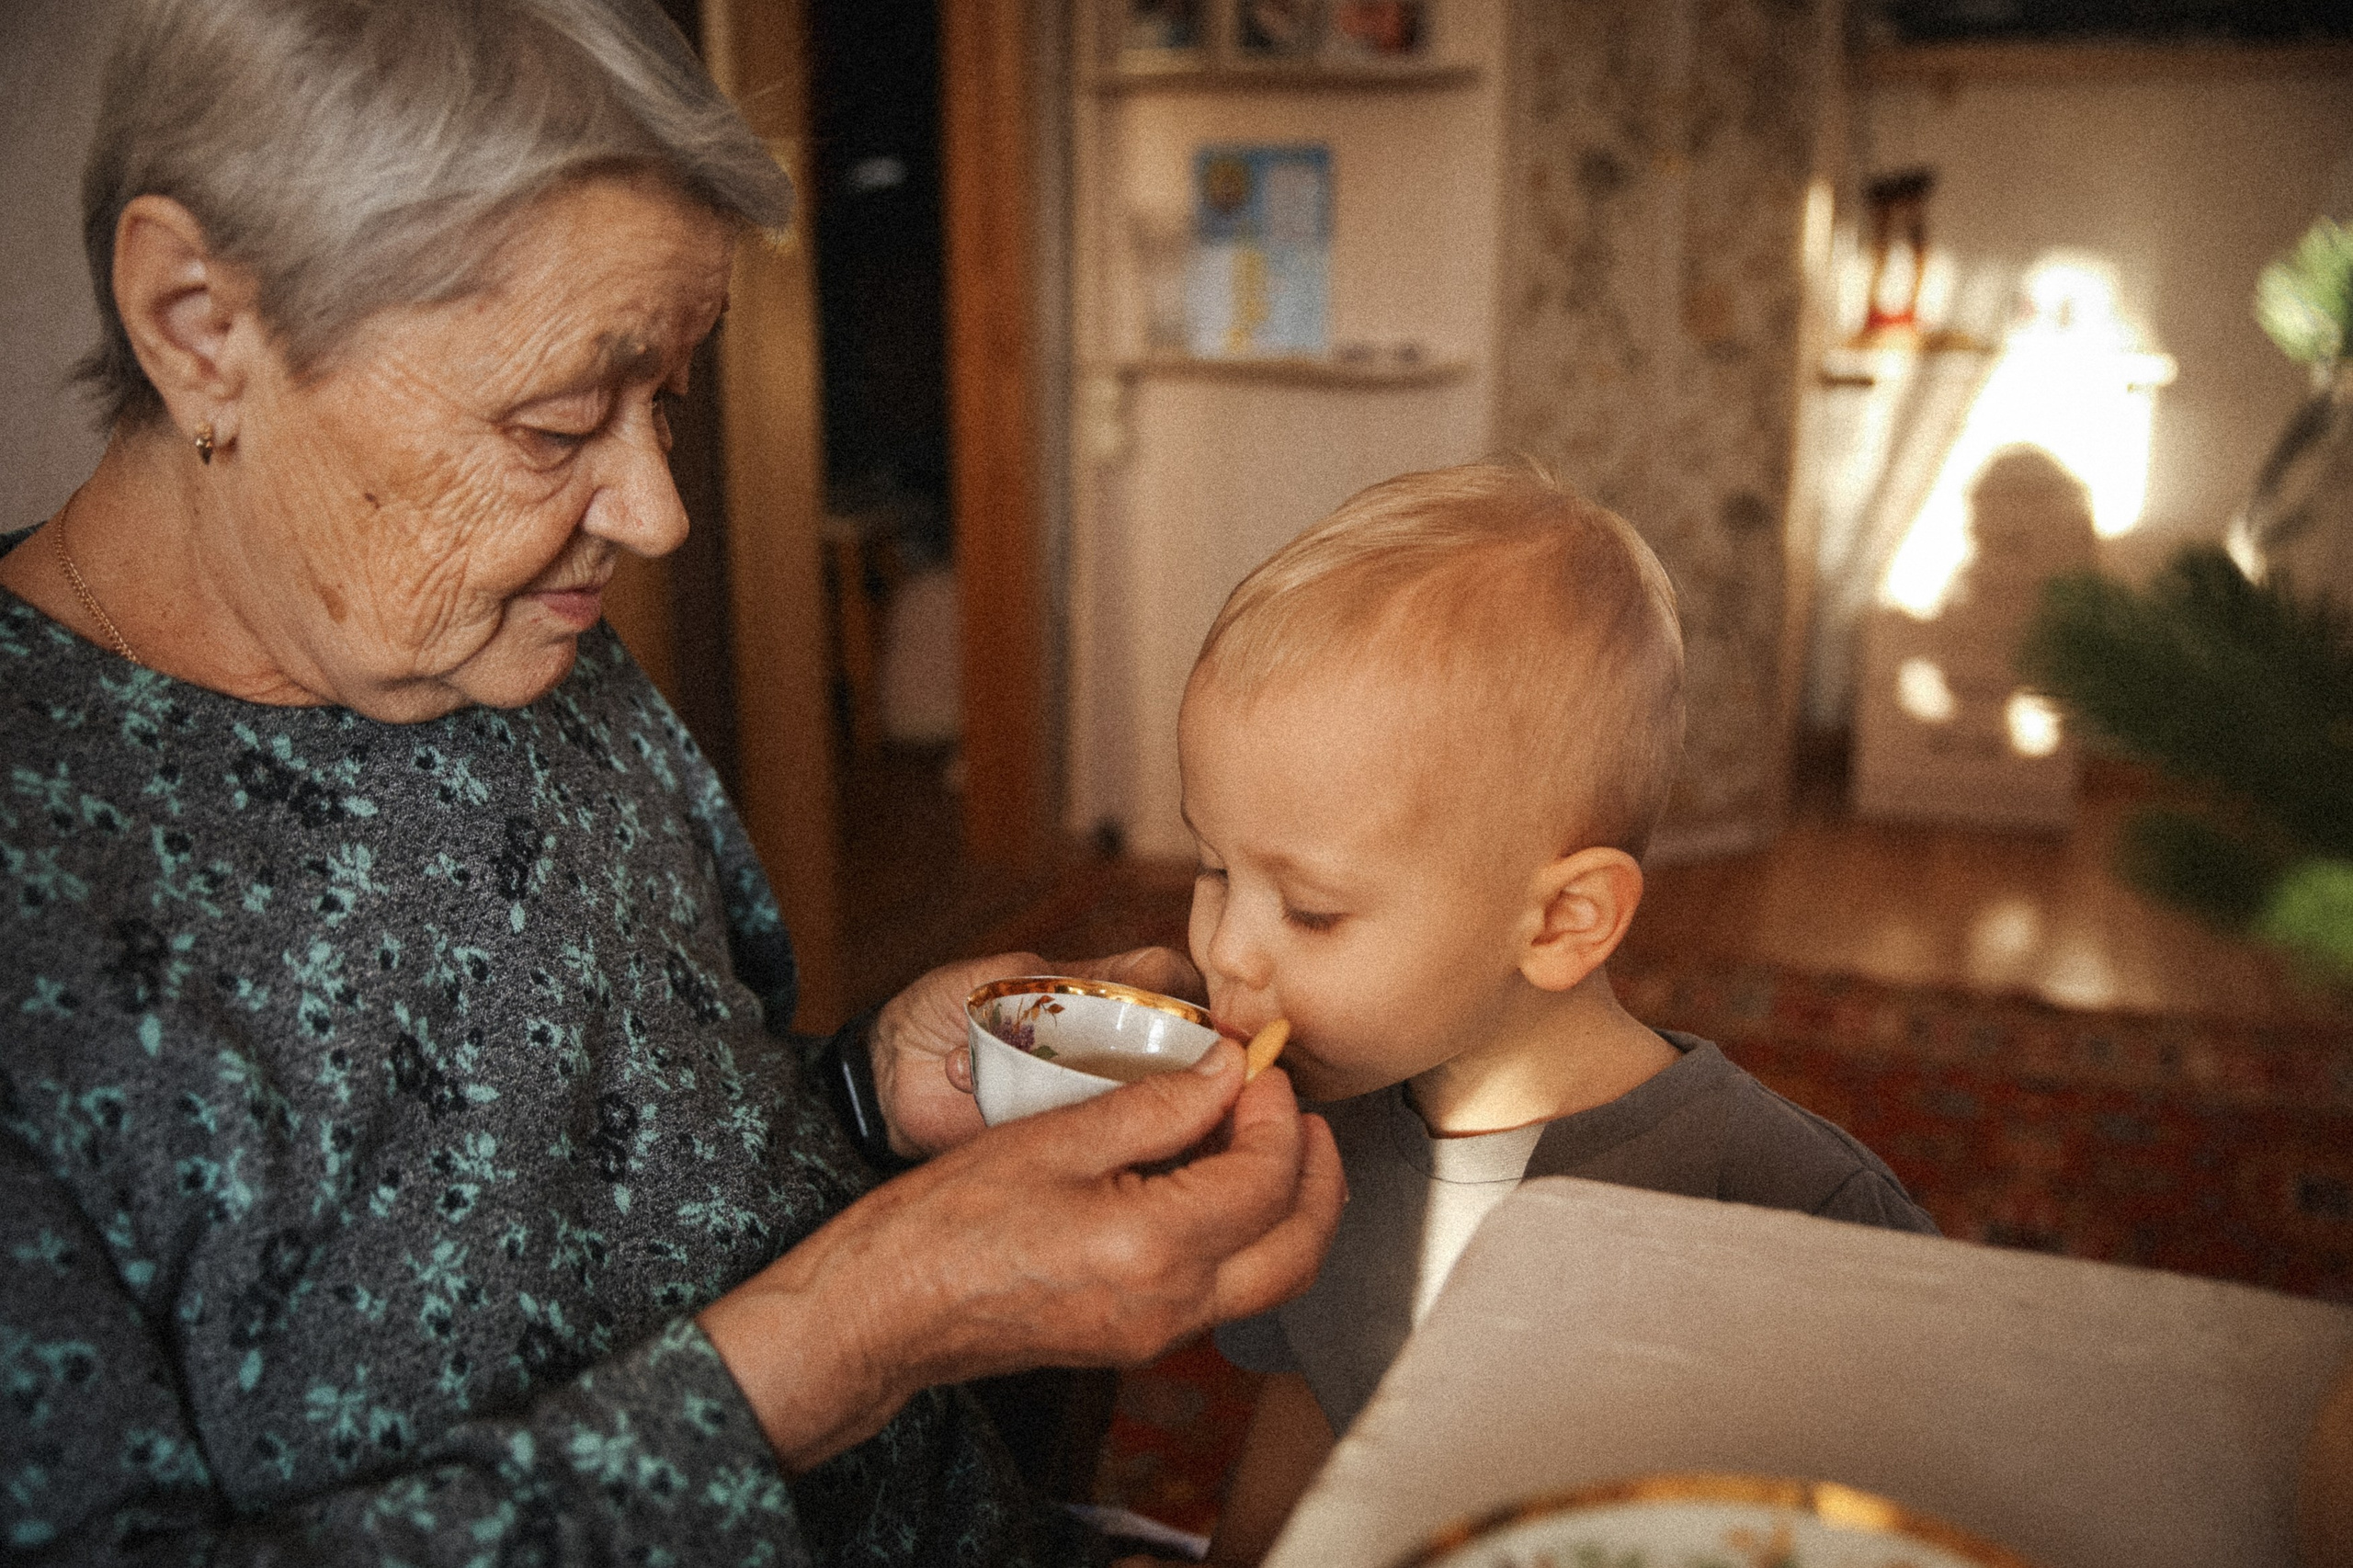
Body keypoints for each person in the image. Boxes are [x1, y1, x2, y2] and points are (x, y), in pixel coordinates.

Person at [0, 2, 1343, 1562]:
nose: (654, 513)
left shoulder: (495, 634)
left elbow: (644, 1153)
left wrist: (868, 1095)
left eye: (669, 406)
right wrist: (847, 1334)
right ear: (196, 321)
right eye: (558, 420)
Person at [1173, 461, 1937, 1564]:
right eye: (1209, 866)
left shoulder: (1798, 1213)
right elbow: (1316, 1400)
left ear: (1563, 920)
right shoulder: (1303, 1140)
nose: (1226, 952)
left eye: (1311, 909)